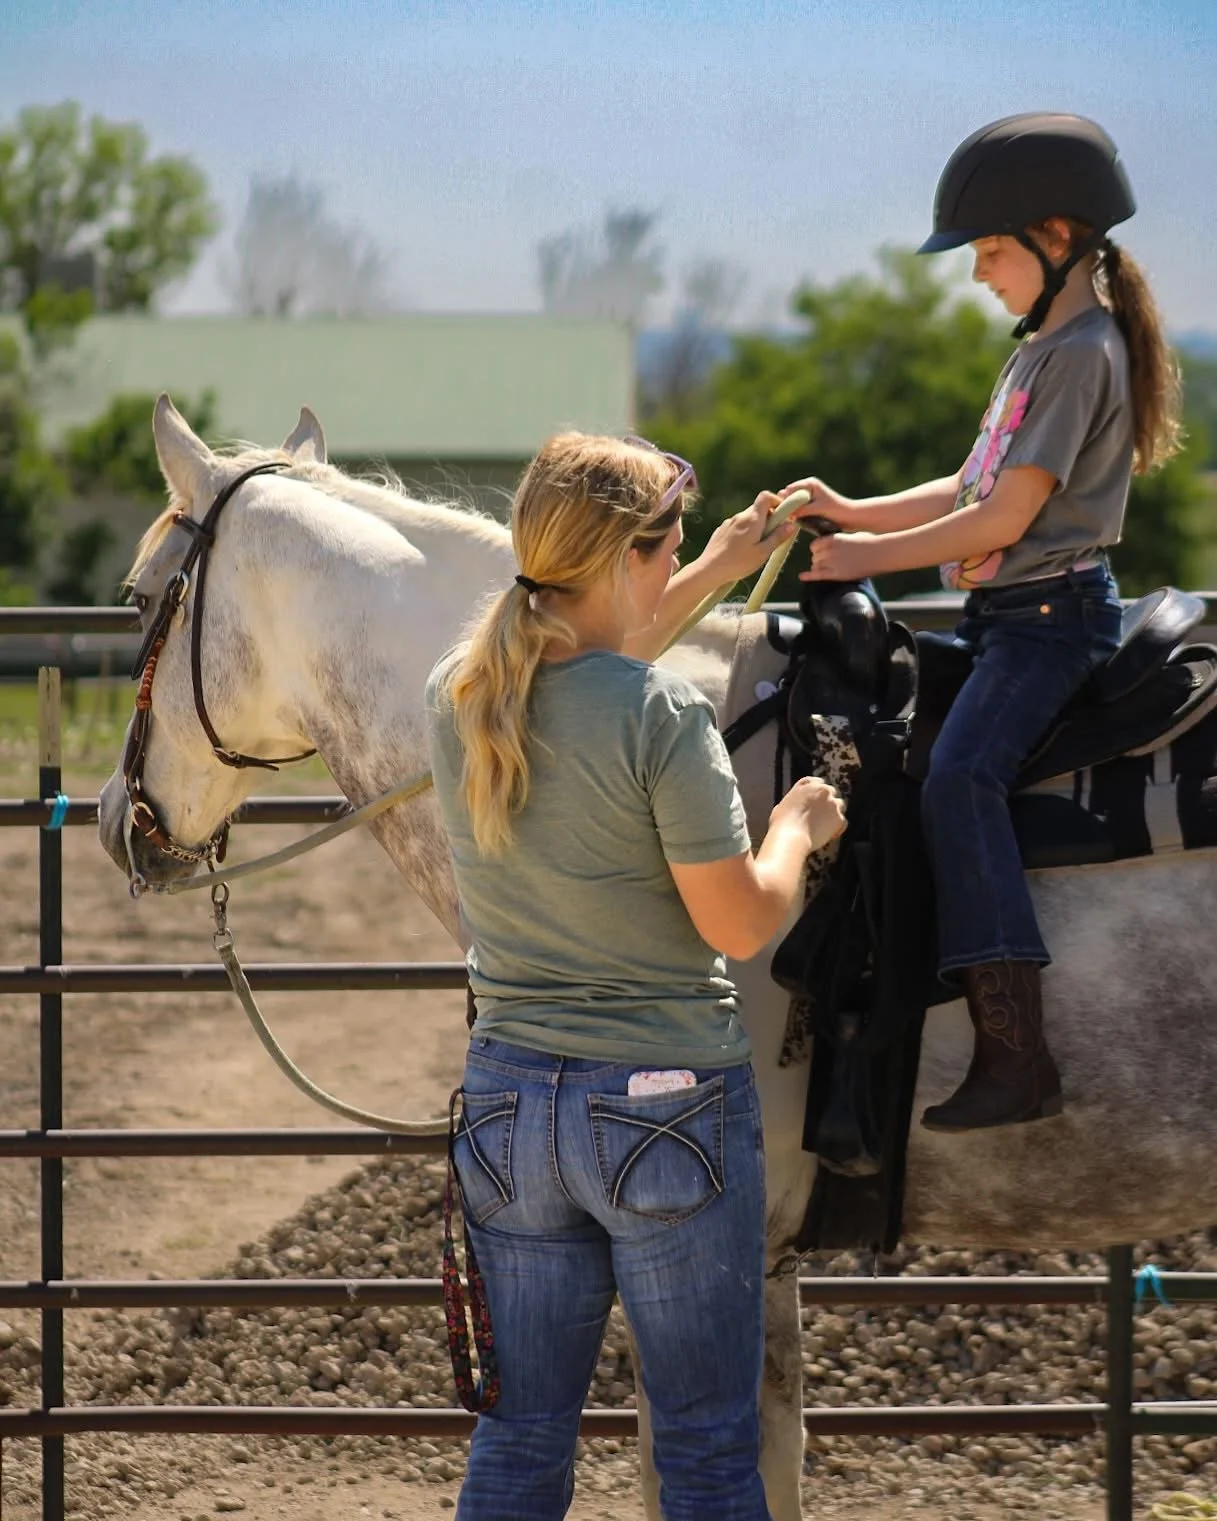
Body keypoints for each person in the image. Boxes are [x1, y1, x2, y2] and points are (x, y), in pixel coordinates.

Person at [424, 431, 846, 1521]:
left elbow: (588, 651)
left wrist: (709, 562)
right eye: (665, 551)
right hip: (662, 1107)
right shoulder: (663, 718)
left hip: (509, 1107)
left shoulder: (460, 696)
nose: (671, 569)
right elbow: (740, 921)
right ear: (623, 560)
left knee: (517, 1440)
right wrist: (797, 826)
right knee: (707, 1450)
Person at [781, 112, 1183, 1132]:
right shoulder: (1039, 349)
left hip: (1049, 621)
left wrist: (864, 561)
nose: (977, 276)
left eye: (991, 253)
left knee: (961, 777)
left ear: (1056, 238)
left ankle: (1016, 1053)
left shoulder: (1080, 353)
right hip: (1011, 611)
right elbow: (971, 482)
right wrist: (851, 510)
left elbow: (1004, 517)